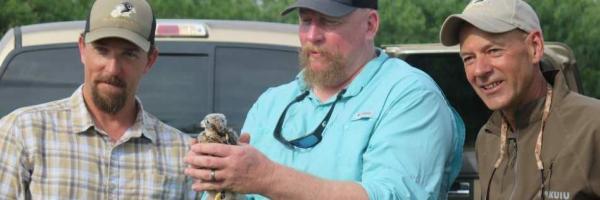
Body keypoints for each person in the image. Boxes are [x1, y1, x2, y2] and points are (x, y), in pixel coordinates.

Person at [185, 0, 465, 199]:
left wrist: (266, 177)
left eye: (329, 21)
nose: (312, 36)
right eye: (305, 20)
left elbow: (393, 195)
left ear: (370, 25)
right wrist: (220, 176)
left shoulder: (409, 96)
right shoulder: (272, 102)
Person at [0, 0, 198, 199]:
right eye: (102, 50)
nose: (112, 69)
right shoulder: (23, 133)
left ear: (150, 60)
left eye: (129, 54)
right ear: (82, 49)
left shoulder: (182, 153)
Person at [439, 0, 600, 199]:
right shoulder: (488, 138)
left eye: (493, 51)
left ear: (535, 47)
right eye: (468, 58)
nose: (480, 70)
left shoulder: (592, 127)